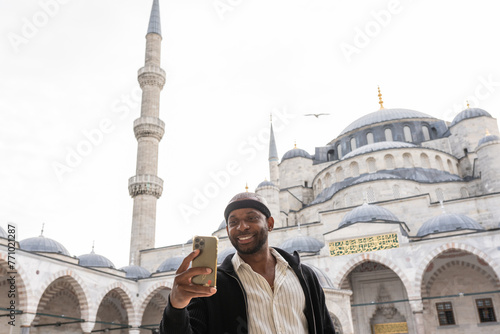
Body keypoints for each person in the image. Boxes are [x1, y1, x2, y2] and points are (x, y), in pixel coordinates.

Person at [160, 192, 336, 333]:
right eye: (233, 222)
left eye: (251, 218)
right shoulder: (213, 285)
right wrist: (176, 307)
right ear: (227, 230)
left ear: (270, 223)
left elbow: (325, 328)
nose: (242, 227)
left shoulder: (305, 276)